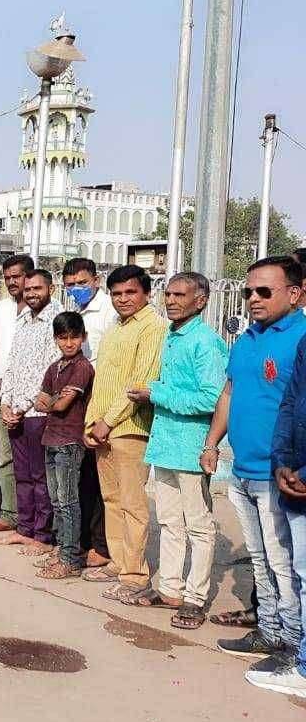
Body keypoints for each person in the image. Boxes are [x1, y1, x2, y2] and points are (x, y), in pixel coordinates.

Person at [202, 256, 306, 661]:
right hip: (242, 468)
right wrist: (212, 444)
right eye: (248, 292)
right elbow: (229, 393)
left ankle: (293, 641)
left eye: (264, 291)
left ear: (295, 293)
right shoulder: (246, 340)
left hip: (280, 473)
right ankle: (269, 629)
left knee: (287, 562)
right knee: (261, 558)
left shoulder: (300, 337)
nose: (253, 299)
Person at [128, 272, 227, 626]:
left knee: (199, 525)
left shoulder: (206, 342)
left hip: (190, 446)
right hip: (166, 443)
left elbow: (212, 398)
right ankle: (170, 587)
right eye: (168, 294)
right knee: (169, 521)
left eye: (180, 295)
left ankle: (195, 596)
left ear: (201, 301)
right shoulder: (172, 337)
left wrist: (156, 393)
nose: (171, 300)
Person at [82, 264, 167, 604]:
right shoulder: (116, 327)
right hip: (103, 428)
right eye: (116, 294)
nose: (123, 299)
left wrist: (108, 422)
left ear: (146, 293)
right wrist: (92, 423)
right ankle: (119, 563)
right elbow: (103, 379)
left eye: (130, 292)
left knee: (133, 504)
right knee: (112, 500)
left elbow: (139, 383)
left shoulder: (153, 327)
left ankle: (135, 575)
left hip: (130, 428)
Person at [258, 303, 306, 695]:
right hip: (287, 472)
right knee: (290, 565)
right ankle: (288, 645)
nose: (253, 298)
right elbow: (289, 406)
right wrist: (283, 462)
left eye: (263, 291)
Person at [0, 269, 60, 549]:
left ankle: (43, 534)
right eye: (28, 290)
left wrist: (21, 408)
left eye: (38, 288)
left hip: (38, 414)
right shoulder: (23, 321)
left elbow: (51, 372)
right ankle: (24, 528)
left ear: (51, 288)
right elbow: (12, 365)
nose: (32, 293)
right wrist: (6, 404)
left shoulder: (57, 322)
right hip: (15, 414)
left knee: (40, 476)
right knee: (22, 474)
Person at [34, 312, 95, 579]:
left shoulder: (82, 367)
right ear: (56, 339)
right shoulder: (54, 367)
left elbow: (59, 404)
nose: (69, 343)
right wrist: (53, 400)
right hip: (51, 438)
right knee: (57, 501)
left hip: (70, 441)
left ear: (83, 337)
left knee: (69, 501)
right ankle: (62, 550)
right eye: (63, 338)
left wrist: (54, 400)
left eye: (74, 337)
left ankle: (70, 558)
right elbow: (40, 400)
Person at [62, 257, 114, 571]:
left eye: (82, 283)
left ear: (96, 280)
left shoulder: (109, 313)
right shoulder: (72, 312)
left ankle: (101, 545)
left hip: (100, 400)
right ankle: (79, 541)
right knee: (79, 477)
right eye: (70, 285)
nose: (76, 289)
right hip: (77, 402)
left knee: (98, 479)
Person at [0, 254, 32, 536]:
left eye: (18, 276)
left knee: (33, 462)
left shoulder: (46, 310)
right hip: (2, 396)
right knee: (5, 457)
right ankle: (10, 513)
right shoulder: (1, 309)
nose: (13, 282)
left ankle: (34, 520)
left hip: (31, 402)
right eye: (8, 277)